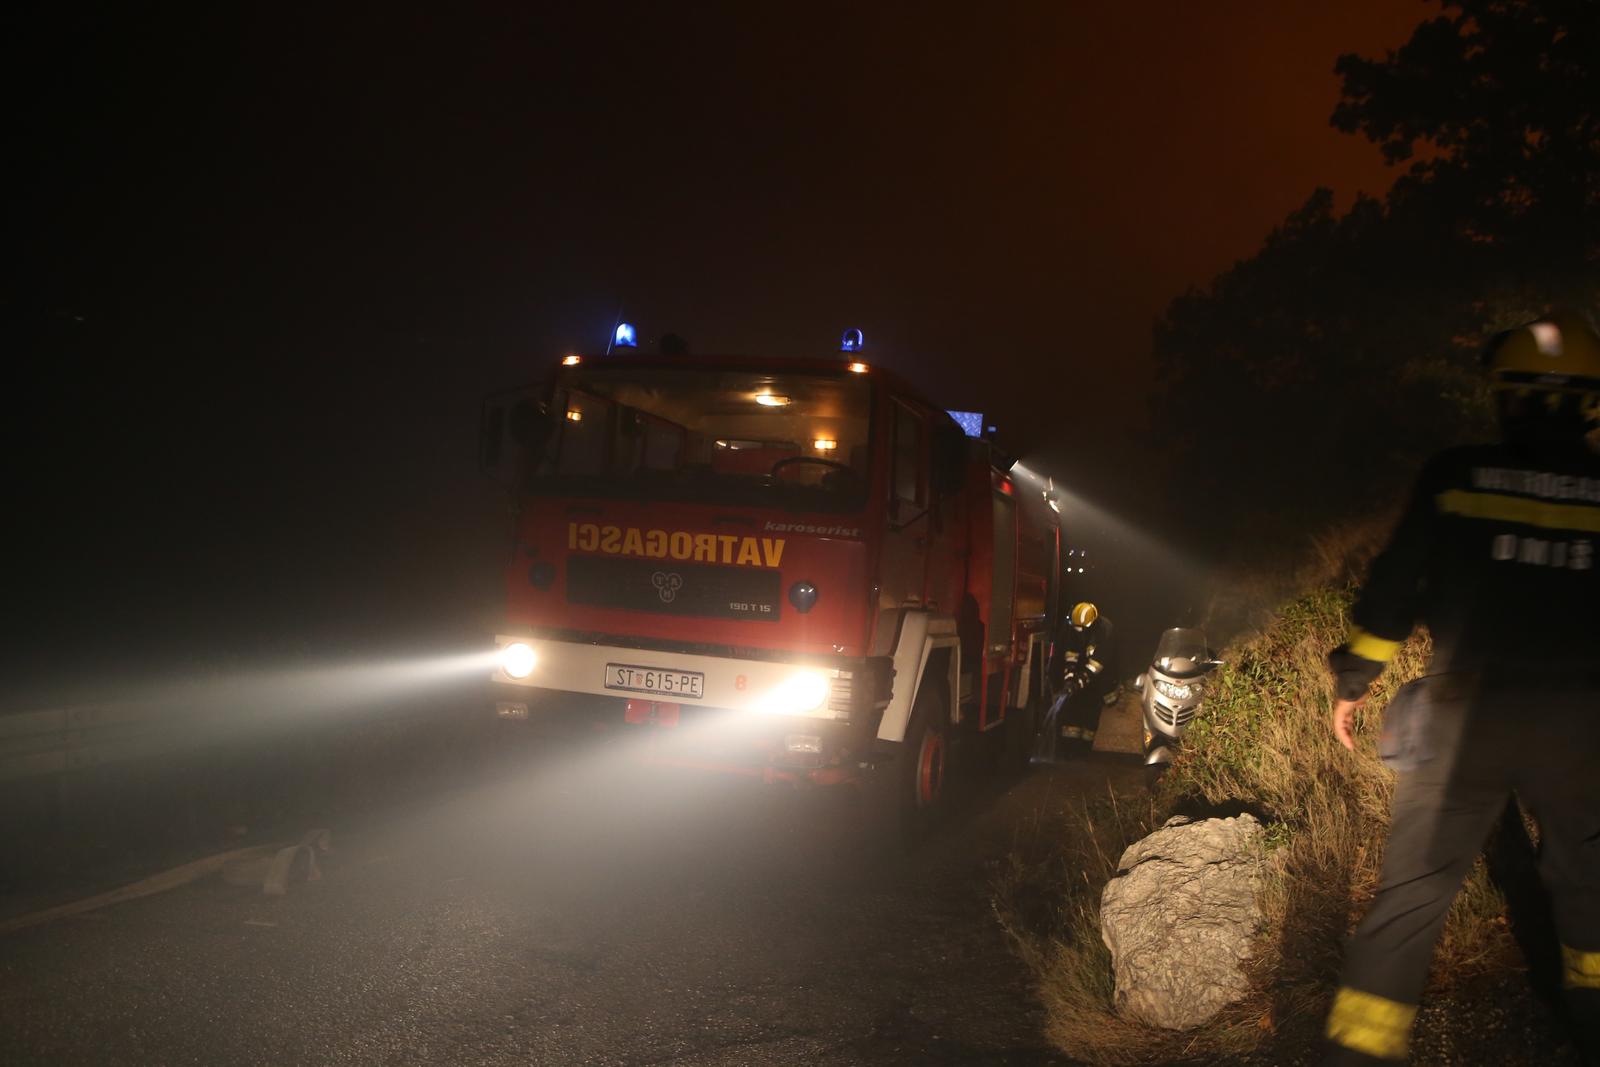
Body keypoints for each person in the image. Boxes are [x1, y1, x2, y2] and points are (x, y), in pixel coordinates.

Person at [1322, 311, 1600, 1064]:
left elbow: (1394, 587)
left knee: (1412, 897)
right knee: (1589, 876)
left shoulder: (1458, 475)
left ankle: (1358, 1053)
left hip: (1460, 715)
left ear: (1504, 396)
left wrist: (1355, 677)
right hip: (1581, 722)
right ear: (1590, 401)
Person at [1050, 601, 1116, 754]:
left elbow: (1096, 664)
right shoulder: (1074, 627)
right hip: (1082, 671)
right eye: (1076, 628)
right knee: (1071, 712)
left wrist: (1079, 682)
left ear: (1093, 623)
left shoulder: (1105, 631)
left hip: (1098, 679)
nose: (1079, 632)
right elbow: (1071, 656)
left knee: (1090, 714)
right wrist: (1069, 679)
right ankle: (1067, 749)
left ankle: (1084, 750)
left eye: (1082, 629)